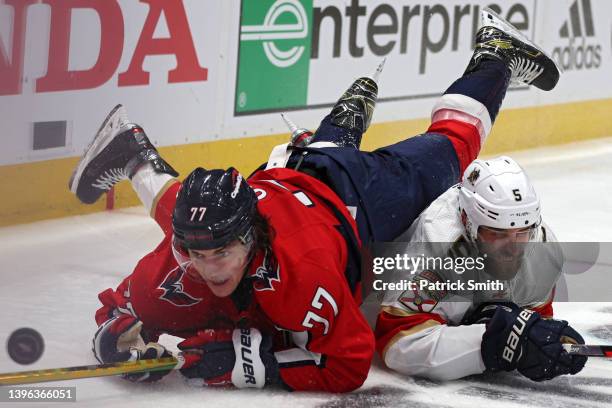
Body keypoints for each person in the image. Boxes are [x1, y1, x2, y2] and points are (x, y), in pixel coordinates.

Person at [69, 8, 561, 392]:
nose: (209, 266)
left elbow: (348, 358)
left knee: (449, 151)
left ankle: (494, 53)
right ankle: (138, 153)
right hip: (284, 178)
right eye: (195, 253)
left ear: (250, 237)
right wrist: (117, 338)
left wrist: (261, 364)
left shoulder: (303, 272)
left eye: (221, 252)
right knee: (213, 206)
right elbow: (127, 302)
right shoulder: (183, 260)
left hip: (350, 196)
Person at [374, 156, 587, 382]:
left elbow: (532, 317)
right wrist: (490, 342)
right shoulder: (437, 248)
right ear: (466, 220)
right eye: (497, 234)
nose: (513, 249)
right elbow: (398, 342)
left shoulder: (543, 251)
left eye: (522, 232)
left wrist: (542, 335)